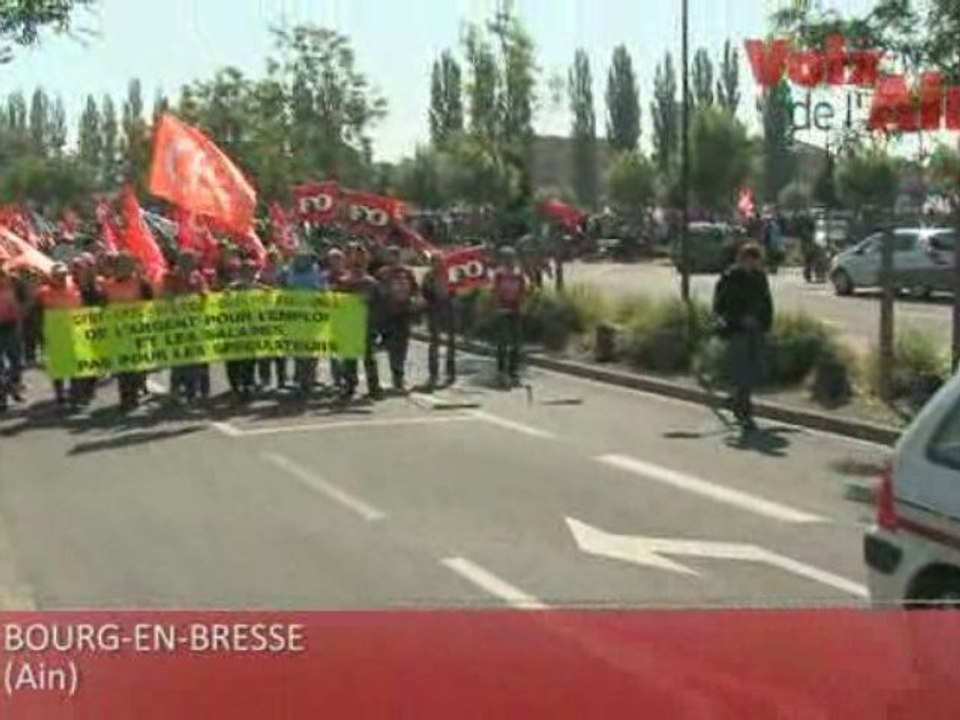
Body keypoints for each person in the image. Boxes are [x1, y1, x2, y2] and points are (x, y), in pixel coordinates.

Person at [712, 243, 773, 432]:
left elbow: (766, 301)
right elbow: (720, 303)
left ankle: (737, 401)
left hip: (756, 328)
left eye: (757, 261)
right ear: (742, 259)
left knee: (753, 370)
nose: (753, 264)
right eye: (750, 260)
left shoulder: (760, 277)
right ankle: (744, 411)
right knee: (742, 371)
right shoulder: (730, 277)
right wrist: (731, 319)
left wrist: (765, 323)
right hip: (737, 329)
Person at [101, 253, 154, 411]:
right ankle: (126, 397)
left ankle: (136, 390)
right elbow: (102, 307)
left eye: (125, 264)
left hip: (137, 330)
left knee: (137, 365)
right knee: (122, 366)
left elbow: (151, 304)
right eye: (119, 264)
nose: (122, 268)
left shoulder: (142, 283)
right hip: (117, 332)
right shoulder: (108, 286)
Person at [161, 251, 210, 404]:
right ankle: (175, 390)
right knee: (179, 361)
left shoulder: (198, 277)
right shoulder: (170, 277)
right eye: (184, 261)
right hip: (177, 324)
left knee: (196, 360)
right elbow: (165, 296)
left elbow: (205, 294)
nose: (187, 264)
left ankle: (194, 391)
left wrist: (201, 295)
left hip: (195, 324)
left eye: (190, 261)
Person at [36, 263, 83, 408]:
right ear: (52, 276)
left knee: (75, 364)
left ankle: (75, 395)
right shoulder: (43, 292)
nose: (61, 277)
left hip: (73, 332)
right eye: (58, 275)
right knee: (57, 366)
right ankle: (60, 395)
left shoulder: (74, 288)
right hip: (54, 333)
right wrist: (41, 331)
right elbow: (37, 313)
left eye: (63, 274)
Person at [340, 244, 382, 401]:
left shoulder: (372, 283)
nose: (358, 262)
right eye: (355, 258)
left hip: (367, 324)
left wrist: (378, 325)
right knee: (349, 358)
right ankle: (350, 386)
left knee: (369, 358)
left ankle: (374, 388)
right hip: (350, 324)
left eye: (362, 258)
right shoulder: (344, 282)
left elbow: (379, 305)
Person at [282, 250, 326, 396]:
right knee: (299, 350)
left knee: (312, 350)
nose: (302, 260)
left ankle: (311, 379)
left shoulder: (316, 271)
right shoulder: (287, 272)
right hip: (295, 315)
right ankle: (301, 380)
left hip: (313, 315)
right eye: (300, 257)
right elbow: (282, 290)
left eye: (305, 258)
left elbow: (323, 291)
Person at [375, 245, 418, 392]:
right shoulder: (382, 273)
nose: (393, 258)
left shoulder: (407, 272)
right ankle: (396, 375)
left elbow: (415, 289)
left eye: (395, 255)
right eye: (390, 255)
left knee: (403, 345)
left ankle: (399, 375)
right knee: (392, 346)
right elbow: (377, 292)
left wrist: (413, 299)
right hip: (389, 314)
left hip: (404, 313)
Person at [225, 259, 267, 401]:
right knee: (234, 360)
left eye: (252, 270)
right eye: (246, 270)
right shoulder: (233, 288)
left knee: (250, 359)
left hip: (252, 329)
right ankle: (235, 386)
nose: (250, 273)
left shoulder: (260, 289)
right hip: (234, 329)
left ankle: (248, 384)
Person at [491, 247, 527, 387]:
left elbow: (523, 290)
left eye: (512, 258)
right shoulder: (499, 274)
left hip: (515, 308)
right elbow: (495, 291)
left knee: (516, 343)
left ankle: (513, 372)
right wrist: (498, 307)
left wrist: (522, 304)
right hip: (503, 309)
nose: (510, 261)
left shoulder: (518, 274)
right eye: (507, 258)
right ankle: (501, 371)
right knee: (503, 342)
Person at [421, 251, 456, 388]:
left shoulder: (449, 274)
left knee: (451, 342)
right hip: (434, 310)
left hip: (448, 309)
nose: (438, 264)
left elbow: (456, 289)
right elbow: (425, 292)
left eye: (440, 260)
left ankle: (450, 372)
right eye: (435, 261)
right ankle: (433, 373)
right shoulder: (428, 276)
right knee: (434, 342)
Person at [0, 266, 25, 411]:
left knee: (17, 361)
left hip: (11, 327)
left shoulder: (12, 286)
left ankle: (13, 387)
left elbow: (18, 307)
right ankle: (2, 396)